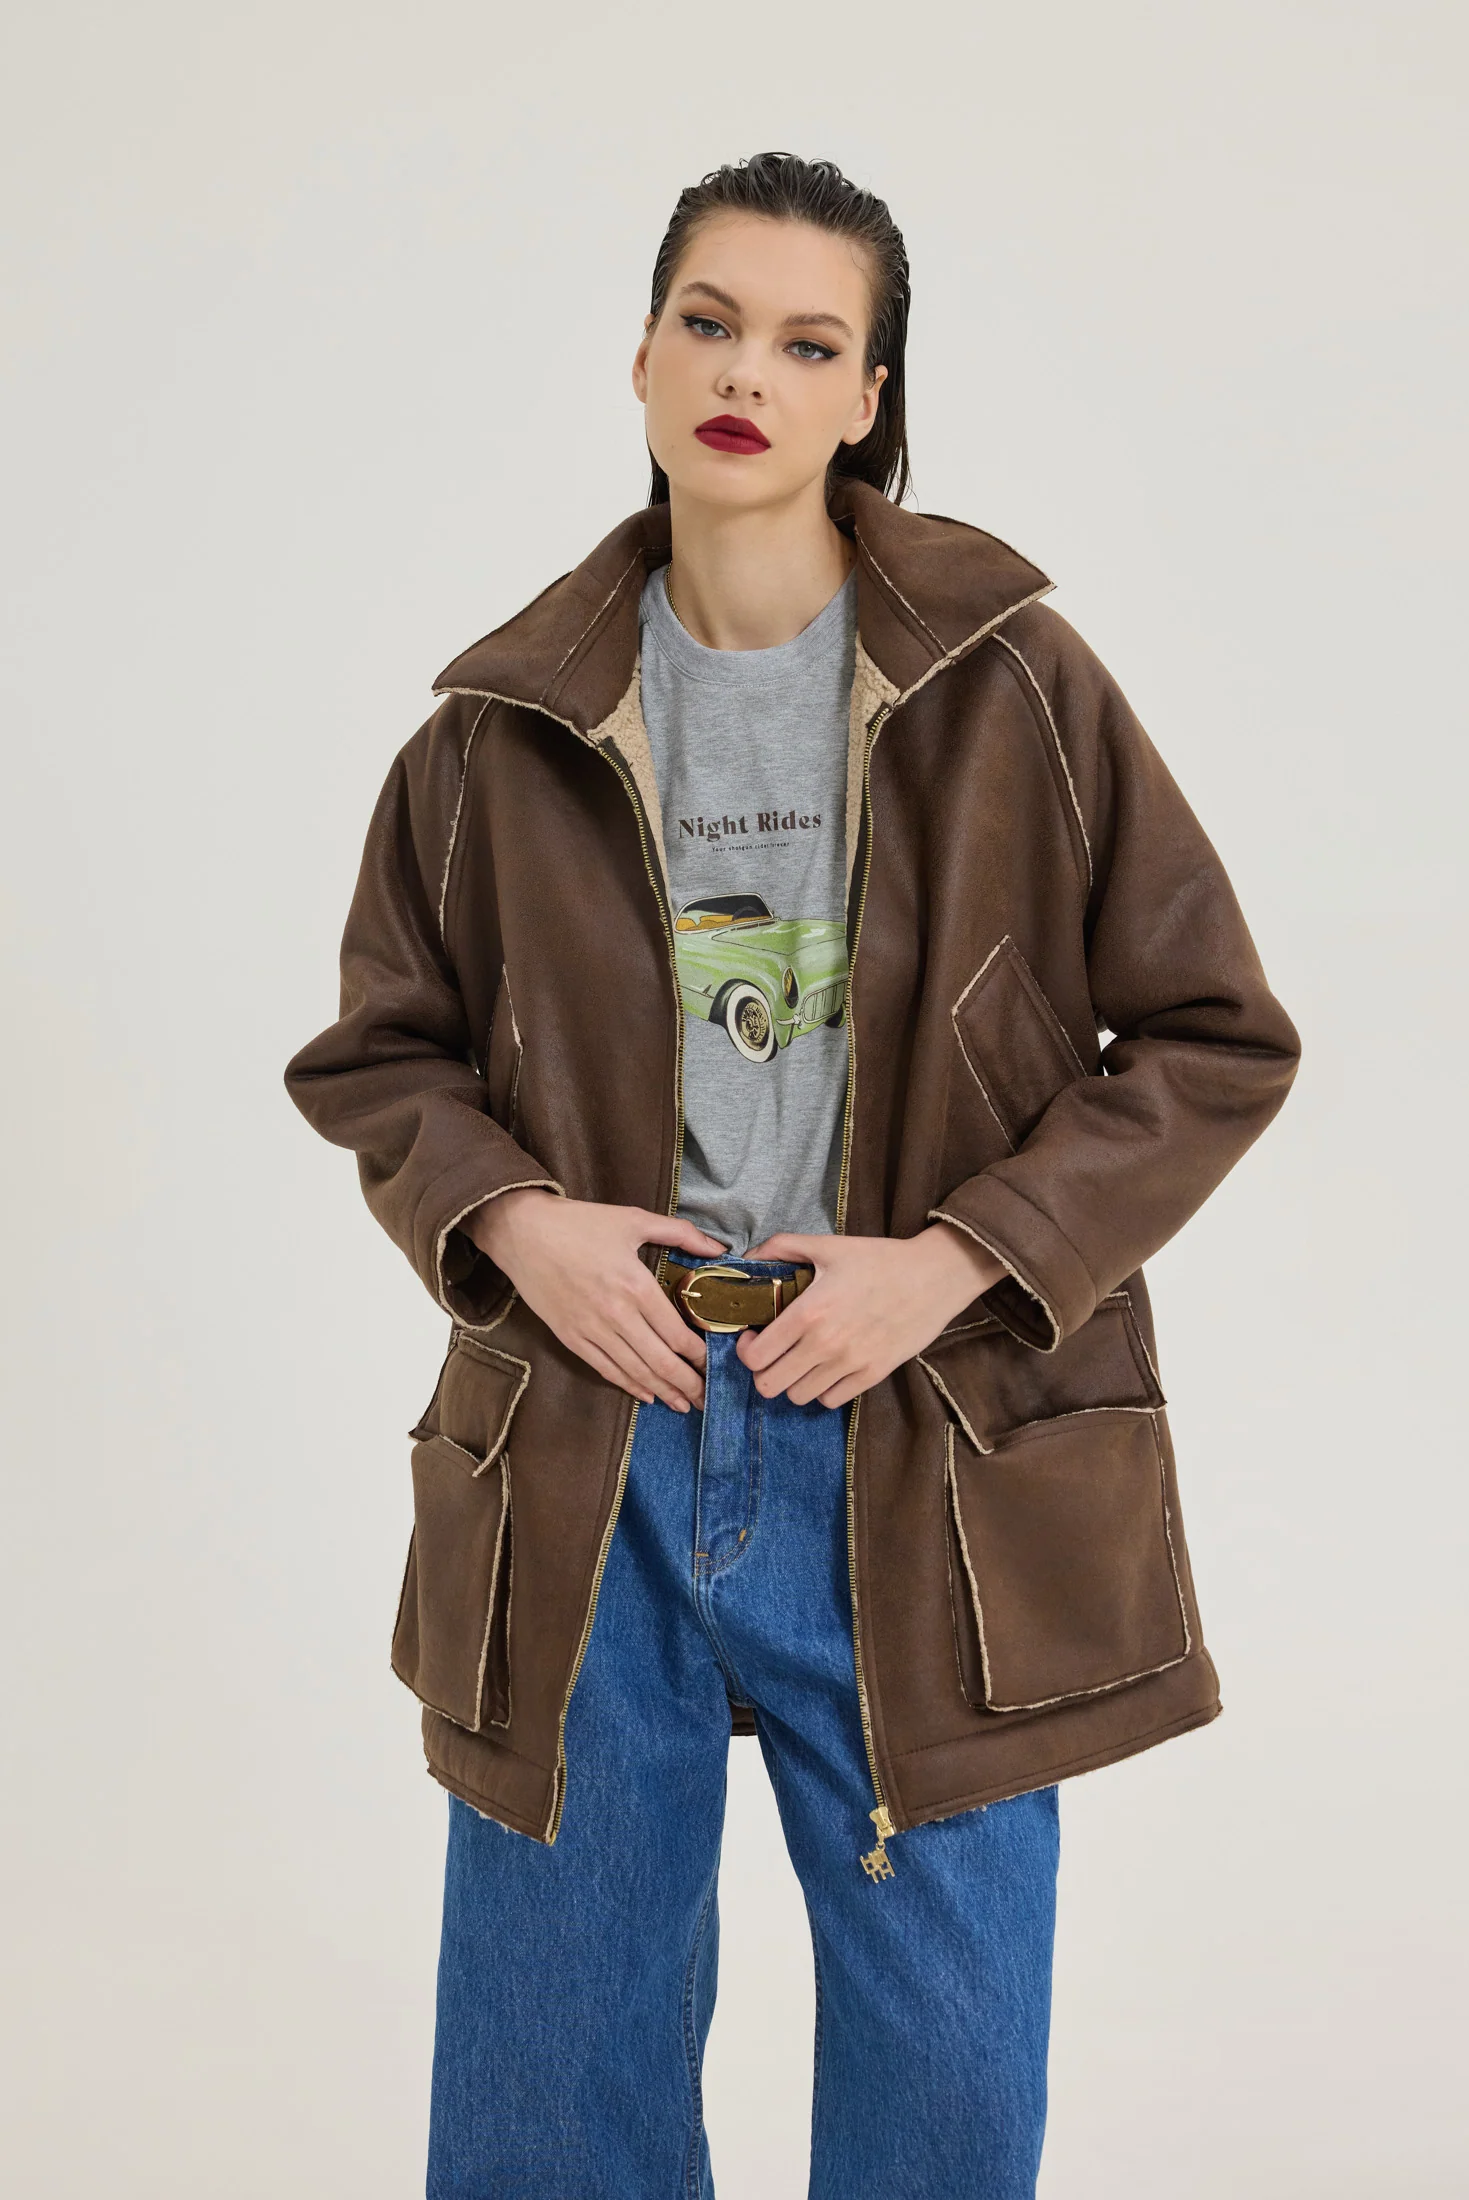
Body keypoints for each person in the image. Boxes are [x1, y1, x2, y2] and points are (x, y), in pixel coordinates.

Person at [285, 151, 1300, 2200]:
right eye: (709, 322)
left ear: (867, 397)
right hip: (596, 1446)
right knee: (549, 2115)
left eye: (807, 341)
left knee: (944, 2106)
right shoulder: (494, 733)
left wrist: (958, 1259)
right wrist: (520, 1227)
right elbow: (381, 1054)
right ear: (642, 359)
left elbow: (1212, 1037)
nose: (747, 371)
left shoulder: (1014, 684)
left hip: (922, 1453)